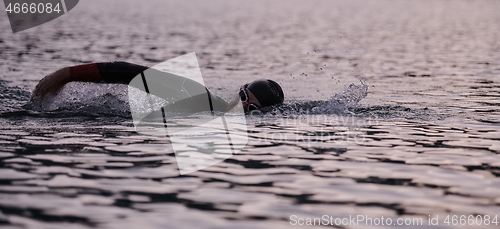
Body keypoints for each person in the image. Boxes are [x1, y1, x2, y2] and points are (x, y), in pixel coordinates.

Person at [30, 61, 284, 113]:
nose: (241, 109)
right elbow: (131, 73)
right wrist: (66, 74)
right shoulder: (200, 98)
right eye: (242, 97)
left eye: (251, 111)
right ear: (237, 90)